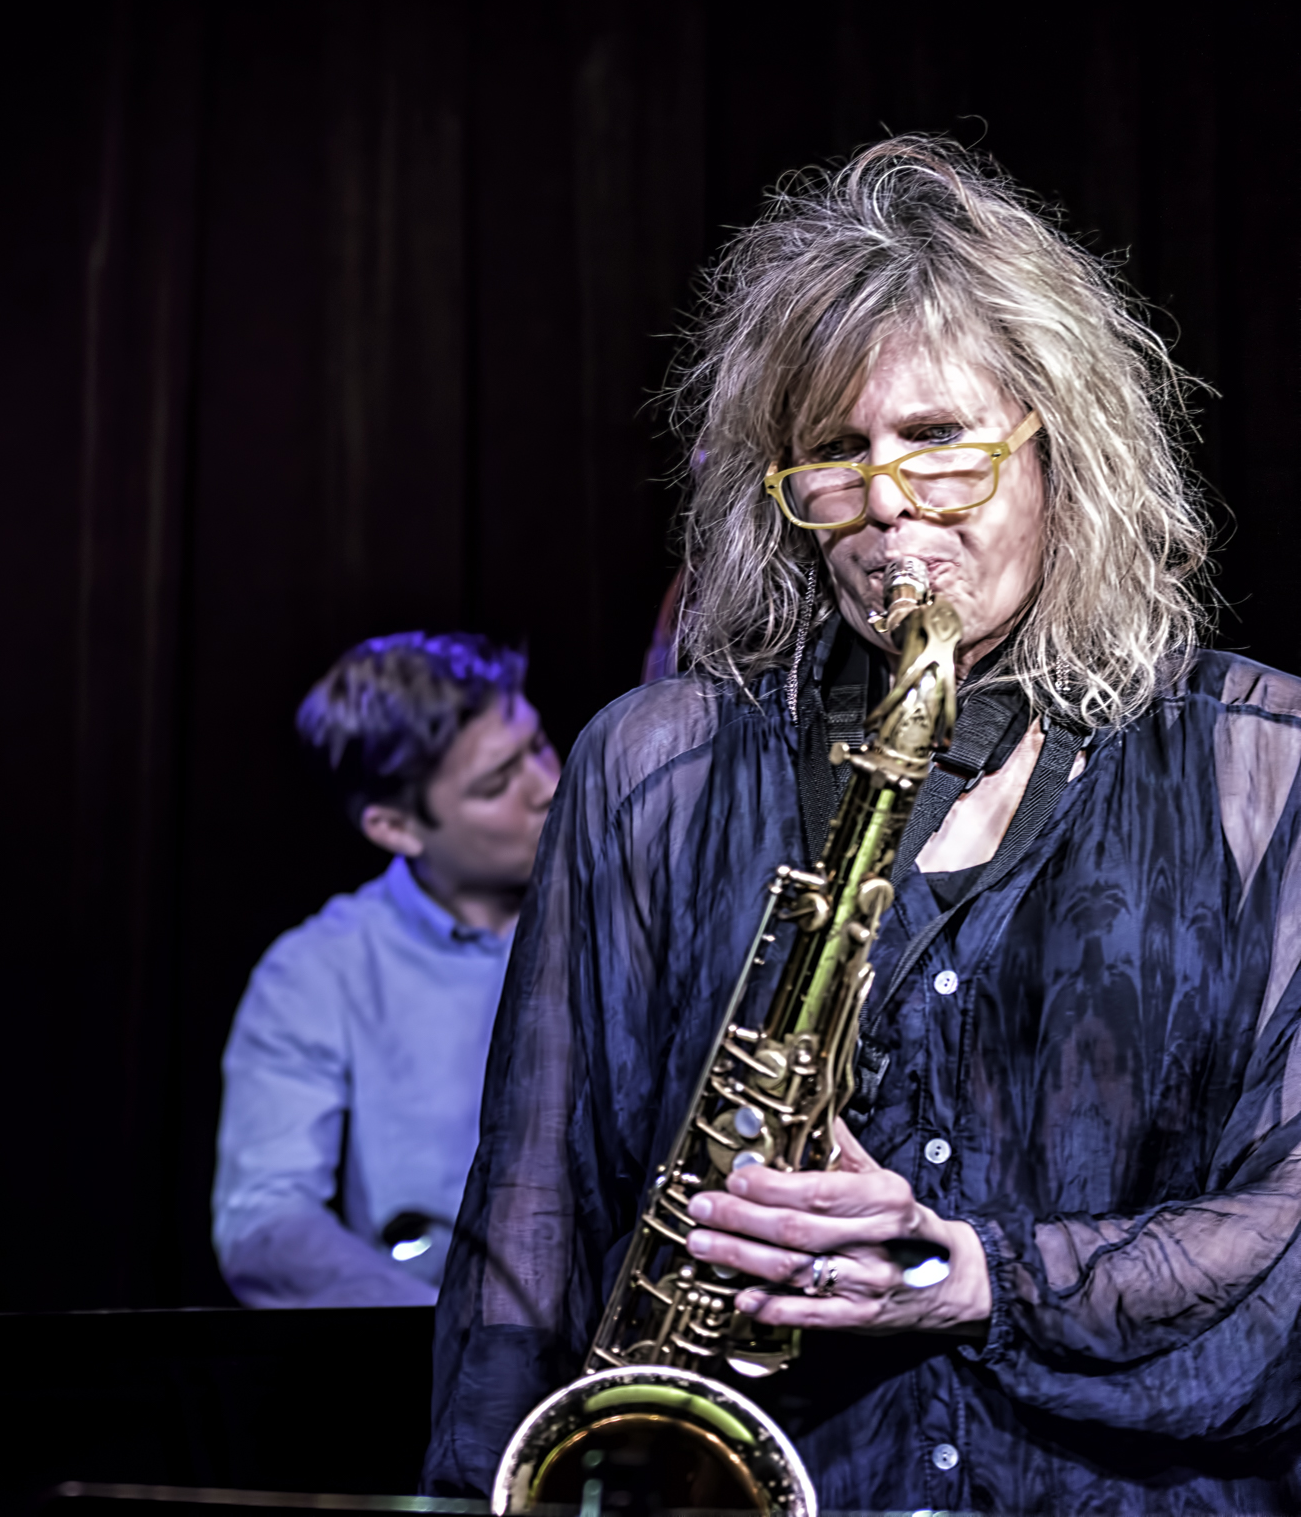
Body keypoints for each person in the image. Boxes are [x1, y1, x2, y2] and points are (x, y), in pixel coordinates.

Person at [426, 134, 1301, 1511]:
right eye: (836, 454)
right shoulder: (652, 768)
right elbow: (528, 1238)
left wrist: (982, 1276)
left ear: (1065, 444)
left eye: (941, 439)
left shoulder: (1267, 760)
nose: (887, 506)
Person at [213, 634, 558, 1308]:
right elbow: (264, 1224)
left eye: (539, 744)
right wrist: (450, 1337)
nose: (549, 785)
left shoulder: (635, 903)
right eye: (497, 784)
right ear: (395, 828)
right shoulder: (315, 971)